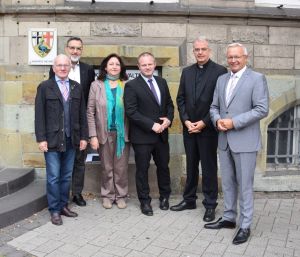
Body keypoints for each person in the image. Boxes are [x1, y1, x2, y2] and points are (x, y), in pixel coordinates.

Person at [207, 43, 269, 245]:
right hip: (224, 141)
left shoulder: (257, 79)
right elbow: (214, 106)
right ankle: (228, 218)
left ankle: (245, 225)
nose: (233, 60)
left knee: (245, 186)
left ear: (245, 57)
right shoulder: (221, 79)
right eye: (230, 57)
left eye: (237, 57)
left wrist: (234, 122)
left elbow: (262, 109)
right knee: (227, 183)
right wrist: (217, 120)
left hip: (245, 141)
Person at [170, 37, 227, 223]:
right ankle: (189, 200)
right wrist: (186, 121)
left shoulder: (220, 71)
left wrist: (203, 122)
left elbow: (219, 102)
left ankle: (210, 205)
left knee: (209, 168)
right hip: (189, 128)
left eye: (203, 49)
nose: (200, 52)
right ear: (193, 52)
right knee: (191, 165)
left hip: (208, 129)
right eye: (197, 49)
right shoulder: (186, 72)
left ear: (209, 51)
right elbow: (180, 99)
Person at [35, 54, 88, 225]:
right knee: (53, 177)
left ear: (70, 67)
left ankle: (64, 205)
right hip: (52, 140)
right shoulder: (45, 87)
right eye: (59, 65)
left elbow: (82, 115)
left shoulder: (76, 87)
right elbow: (39, 116)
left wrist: (83, 137)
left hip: (72, 139)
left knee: (66, 176)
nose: (63, 68)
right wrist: (41, 138)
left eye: (66, 65)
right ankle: (54, 210)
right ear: (53, 67)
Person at [124, 52, 174, 216]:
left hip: (162, 136)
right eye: (143, 65)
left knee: (163, 168)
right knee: (142, 170)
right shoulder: (132, 85)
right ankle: (144, 202)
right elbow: (131, 111)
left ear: (154, 64)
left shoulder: (162, 81)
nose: (147, 67)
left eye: (150, 64)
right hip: (143, 137)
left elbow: (169, 105)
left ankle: (164, 197)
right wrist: (152, 125)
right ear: (138, 67)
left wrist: (168, 119)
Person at [49, 37, 95, 207]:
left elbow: (90, 96)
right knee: (60, 163)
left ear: (82, 50)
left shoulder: (88, 69)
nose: (75, 51)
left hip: (80, 122)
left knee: (79, 160)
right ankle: (61, 197)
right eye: (72, 48)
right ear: (67, 49)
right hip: (61, 125)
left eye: (78, 48)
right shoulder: (56, 68)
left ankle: (77, 193)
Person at [87, 53, 130, 209]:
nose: (114, 67)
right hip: (103, 133)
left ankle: (121, 195)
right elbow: (90, 111)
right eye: (111, 64)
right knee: (106, 167)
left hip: (122, 133)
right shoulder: (96, 85)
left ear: (121, 68)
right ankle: (107, 195)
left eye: (117, 64)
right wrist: (92, 135)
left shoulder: (127, 85)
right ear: (105, 67)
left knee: (121, 167)